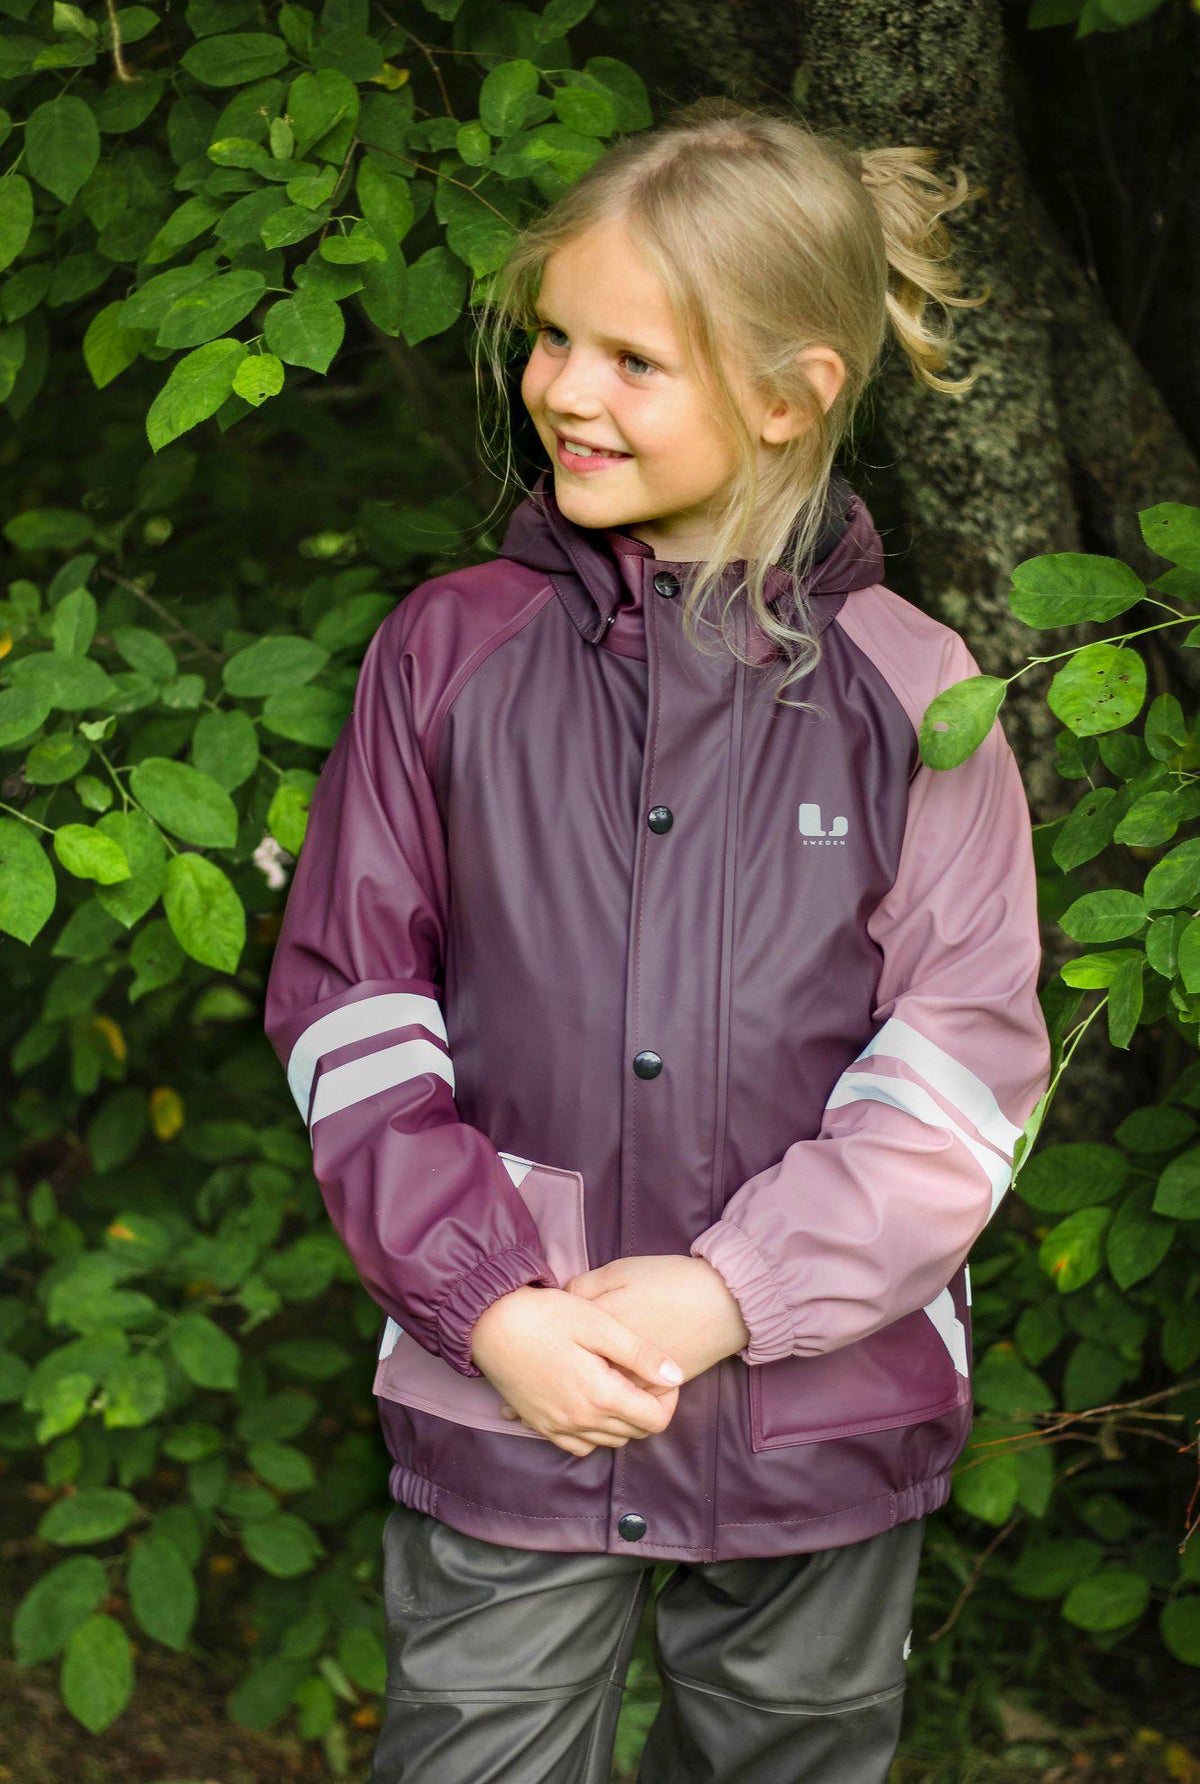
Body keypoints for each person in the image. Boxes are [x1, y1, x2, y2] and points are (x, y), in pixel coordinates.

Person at [263, 97, 1052, 1784]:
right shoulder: (449, 653)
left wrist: (732, 1292)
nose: (564, 389)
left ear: (789, 394)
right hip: (512, 1382)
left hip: (824, 1408)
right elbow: (351, 1012)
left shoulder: (922, 694)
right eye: (554, 339)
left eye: (633, 359)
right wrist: (491, 1304)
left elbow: (963, 1072)